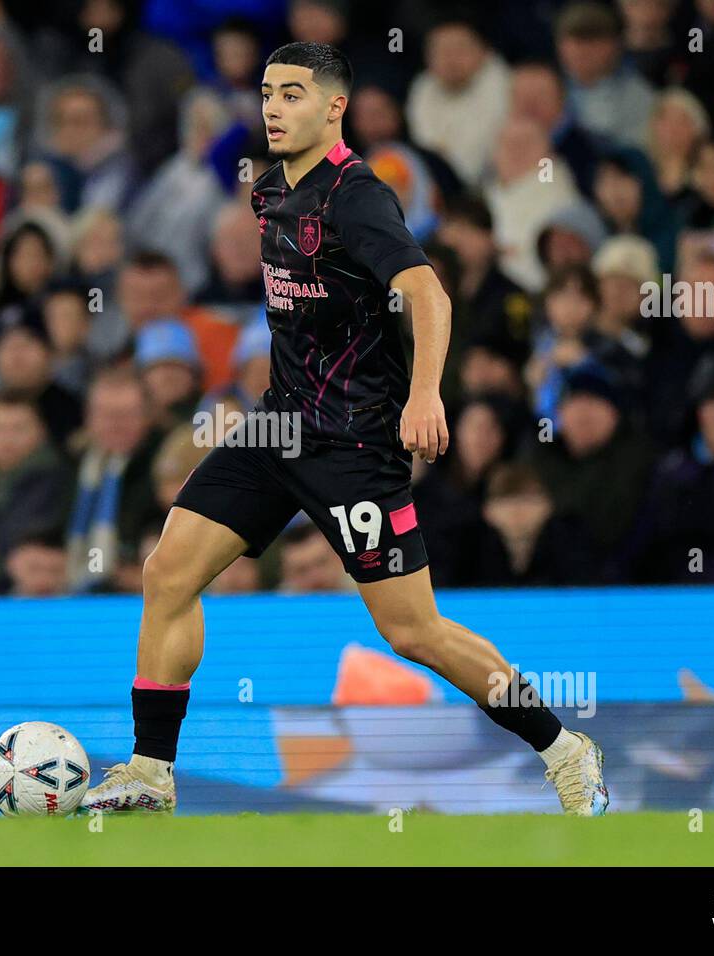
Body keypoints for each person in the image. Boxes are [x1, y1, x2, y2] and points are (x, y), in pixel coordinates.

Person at [81, 42, 609, 817]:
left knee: (414, 631)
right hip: (279, 430)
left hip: (355, 444)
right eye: (266, 92)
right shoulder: (269, 191)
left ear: (334, 107)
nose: (273, 106)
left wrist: (424, 393)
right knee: (167, 574)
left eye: (293, 93)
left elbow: (427, 293)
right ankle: (151, 773)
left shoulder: (357, 195)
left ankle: (564, 748)